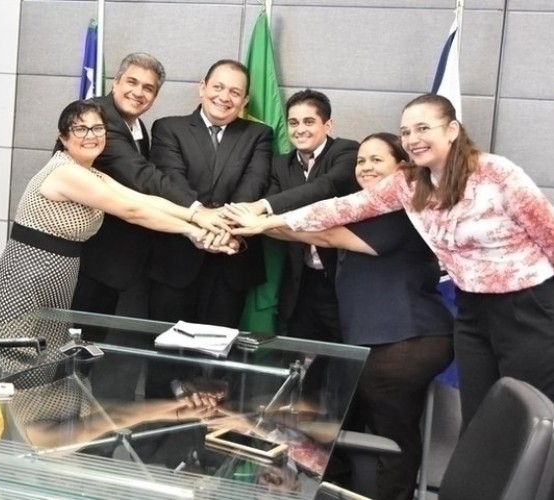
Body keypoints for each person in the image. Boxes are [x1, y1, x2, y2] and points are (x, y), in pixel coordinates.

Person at [226, 93, 554, 432]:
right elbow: (341, 208)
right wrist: (266, 221)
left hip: (526, 304)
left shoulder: (496, 173)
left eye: (423, 128)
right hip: (471, 309)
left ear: (452, 130)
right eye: (406, 132)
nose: (413, 139)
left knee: (531, 418)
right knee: (478, 419)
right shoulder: (408, 183)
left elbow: (549, 233)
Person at [228, 132, 454, 500]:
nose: (365, 167)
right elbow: (308, 235)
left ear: (402, 167)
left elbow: (328, 236)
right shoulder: (363, 209)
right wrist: (249, 225)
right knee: (347, 423)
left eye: (377, 160)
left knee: (392, 438)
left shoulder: (404, 208)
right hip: (375, 341)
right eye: (361, 160)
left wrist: (261, 222)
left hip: (407, 339)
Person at [0, 99, 227, 331]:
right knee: (15, 352)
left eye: (98, 128)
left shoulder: (91, 173)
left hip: (59, 275)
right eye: (80, 129)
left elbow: (141, 199)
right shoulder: (66, 172)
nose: (91, 136)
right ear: (63, 138)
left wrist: (197, 215)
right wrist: (192, 231)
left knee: (48, 354)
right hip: (27, 274)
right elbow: (132, 211)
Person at [66, 53, 228, 318]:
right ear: (116, 82)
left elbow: (138, 191)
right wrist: (197, 212)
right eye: (132, 82)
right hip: (84, 258)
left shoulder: (138, 125)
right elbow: (143, 177)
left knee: (92, 336)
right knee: (74, 335)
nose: (138, 92)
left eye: (148, 88)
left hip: (115, 260)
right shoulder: (98, 119)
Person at [147, 59, 273, 329]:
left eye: (235, 92)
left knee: (218, 350)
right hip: (176, 260)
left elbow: (254, 184)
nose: (224, 97)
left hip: (231, 259)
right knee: (166, 348)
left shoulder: (259, 134)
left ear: (244, 100)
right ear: (202, 88)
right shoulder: (168, 128)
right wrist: (202, 227)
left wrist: (222, 230)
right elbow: (172, 183)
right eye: (218, 87)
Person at [262, 90, 359, 342]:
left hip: (341, 282)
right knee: (298, 353)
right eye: (293, 123)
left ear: (328, 125)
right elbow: (271, 214)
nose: (300, 130)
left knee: (345, 354)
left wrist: (261, 207)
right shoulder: (280, 164)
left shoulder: (346, 151)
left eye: (309, 122)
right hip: (301, 281)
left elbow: (324, 187)